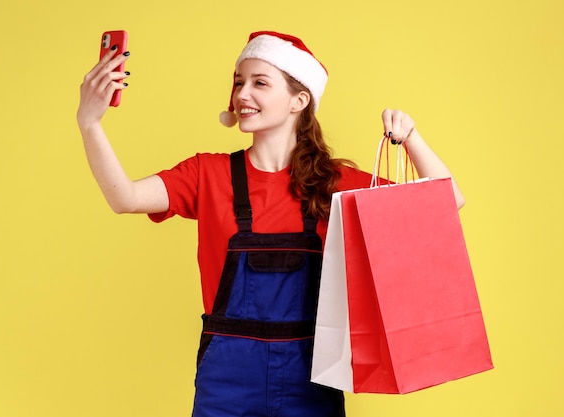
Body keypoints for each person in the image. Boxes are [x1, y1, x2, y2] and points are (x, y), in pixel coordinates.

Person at [77, 30, 465, 417]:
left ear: (299, 100)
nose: (242, 94)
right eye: (238, 83)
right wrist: (90, 123)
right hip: (225, 384)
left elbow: (447, 203)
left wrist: (411, 137)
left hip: (311, 381)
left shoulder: (335, 184)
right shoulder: (206, 174)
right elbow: (123, 197)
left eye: (260, 83)